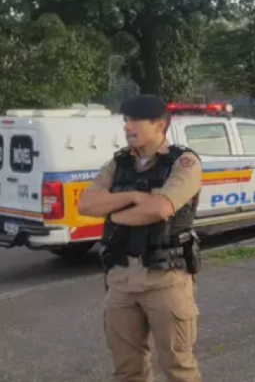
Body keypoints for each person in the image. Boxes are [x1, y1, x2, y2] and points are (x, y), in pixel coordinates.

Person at [78, 95, 203, 382]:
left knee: (179, 367)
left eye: (135, 120)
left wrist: (112, 213)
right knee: (127, 370)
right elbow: (86, 205)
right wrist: (134, 196)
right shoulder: (118, 163)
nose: (127, 126)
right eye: (126, 120)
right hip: (120, 280)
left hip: (165, 279)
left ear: (159, 124)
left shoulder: (183, 162)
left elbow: (159, 209)